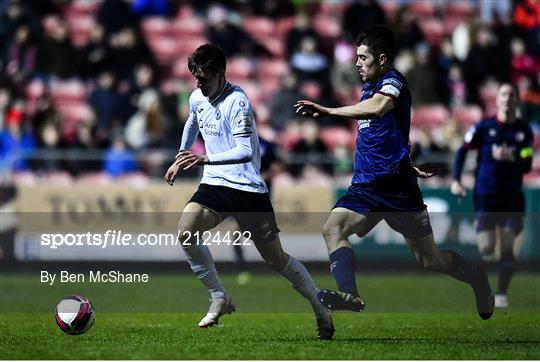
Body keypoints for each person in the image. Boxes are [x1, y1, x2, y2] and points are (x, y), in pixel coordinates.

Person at [294, 26, 495, 320]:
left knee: (429, 259)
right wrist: (405, 160)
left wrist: (328, 112)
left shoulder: (393, 81)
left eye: (363, 57)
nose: (357, 63)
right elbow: (386, 135)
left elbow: (378, 110)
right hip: (365, 187)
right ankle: (350, 295)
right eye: (357, 57)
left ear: (383, 59)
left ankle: (477, 278)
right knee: (332, 229)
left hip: (398, 189)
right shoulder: (367, 87)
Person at [164, 44, 334, 339]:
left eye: (203, 78)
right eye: (195, 78)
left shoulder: (238, 102)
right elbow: (193, 119)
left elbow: (244, 150)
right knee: (186, 232)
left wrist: (203, 158)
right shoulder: (197, 97)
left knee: (276, 260)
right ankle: (220, 297)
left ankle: (321, 307)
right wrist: (182, 154)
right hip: (216, 183)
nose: (198, 84)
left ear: (220, 74)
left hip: (247, 189)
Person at [451, 83, 534, 308]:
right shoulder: (484, 127)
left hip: (511, 197)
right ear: (497, 100)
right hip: (486, 195)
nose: (507, 98)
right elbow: (463, 150)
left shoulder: (523, 132)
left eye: (511, 94)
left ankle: (502, 293)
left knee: (507, 248)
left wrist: (512, 156)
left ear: (516, 100)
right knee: (486, 248)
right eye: (503, 94)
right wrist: (456, 180)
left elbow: (527, 163)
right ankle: (483, 277)